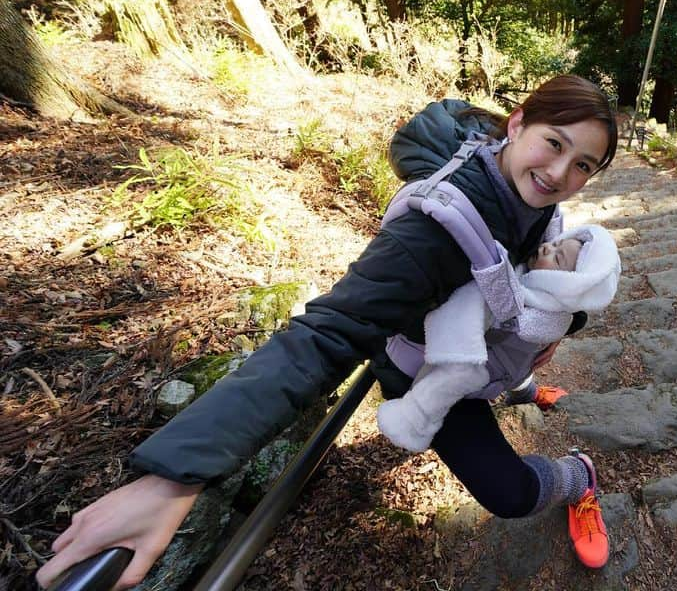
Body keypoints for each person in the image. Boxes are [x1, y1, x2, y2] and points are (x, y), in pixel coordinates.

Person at [36, 74, 620, 589]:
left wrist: (555, 324)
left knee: (514, 369)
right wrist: (173, 476)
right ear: (517, 123)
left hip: (482, 348)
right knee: (511, 496)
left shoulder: (522, 189)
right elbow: (325, 335)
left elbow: (530, 268)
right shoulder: (430, 236)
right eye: (554, 144)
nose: (558, 174)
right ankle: (577, 476)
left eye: (582, 166)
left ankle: (515, 385)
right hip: (423, 366)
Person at [377, 225, 620, 453]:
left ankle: (415, 419)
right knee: (521, 369)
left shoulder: (538, 318)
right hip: (515, 363)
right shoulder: (540, 284)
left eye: (557, 258)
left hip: (490, 372)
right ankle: (526, 394)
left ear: (567, 286)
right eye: (557, 244)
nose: (547, 247)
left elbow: (505, 316)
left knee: (454, 375)